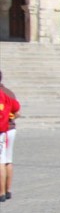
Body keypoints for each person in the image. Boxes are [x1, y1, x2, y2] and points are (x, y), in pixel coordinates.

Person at [0, 71, 19, 201]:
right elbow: (17, 111)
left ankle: (1, 193)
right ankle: (8, 190)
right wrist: (9, 117)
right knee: (8, 159)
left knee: (0, 160)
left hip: (2, 130)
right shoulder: (9, 92)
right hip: (10, 128)